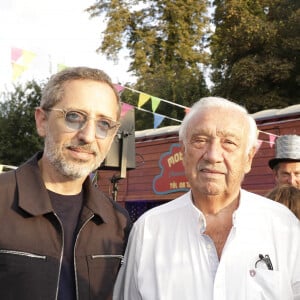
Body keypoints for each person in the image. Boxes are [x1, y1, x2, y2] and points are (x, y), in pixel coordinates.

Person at [113, 97, 300, 300]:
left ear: (249, 158)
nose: (212, 155)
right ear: (183, 152)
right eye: (200, 140)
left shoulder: (284, 226)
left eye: (229, 142)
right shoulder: (148, 231)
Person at [0, 67, 131, 300]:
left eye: (103, 124)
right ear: (42, 121)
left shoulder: (118, 223)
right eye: (74, 117)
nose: (88, 136)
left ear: (113, 136)